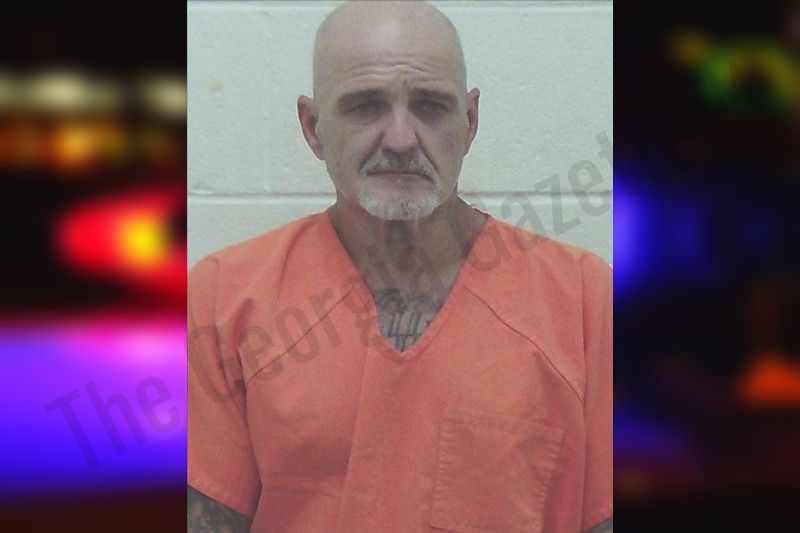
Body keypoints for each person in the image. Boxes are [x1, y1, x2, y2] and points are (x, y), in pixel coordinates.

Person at [187, 1, 612, 532]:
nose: (402, 139)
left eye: (431, 106)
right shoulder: (226, 296)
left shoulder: (581, 299)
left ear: (469, 122)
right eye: (365, 106)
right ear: (313, 128)